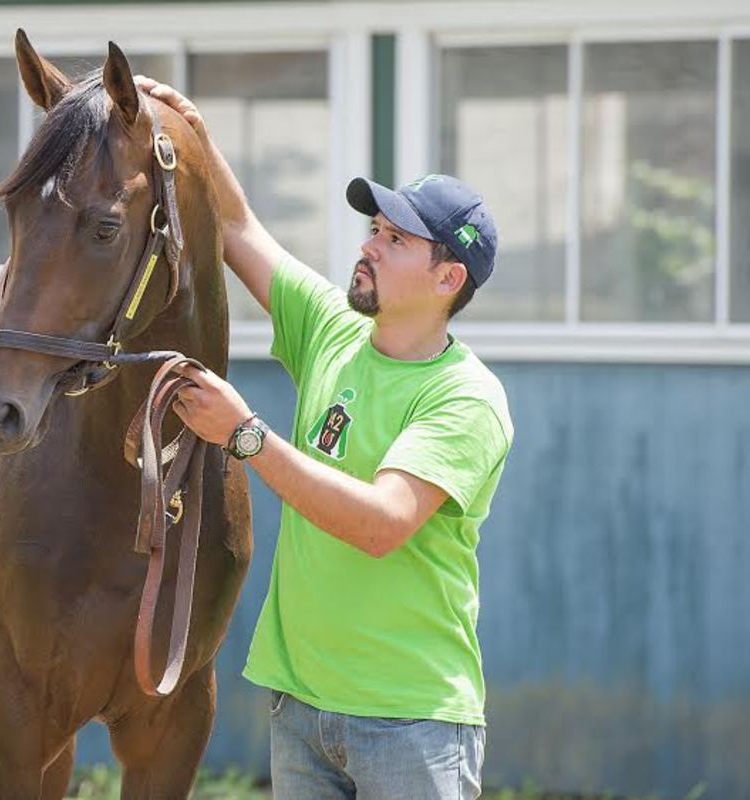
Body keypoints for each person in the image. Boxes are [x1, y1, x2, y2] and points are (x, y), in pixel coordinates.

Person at [134, 75, 514, 800]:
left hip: (411, 725)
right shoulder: (335, 331)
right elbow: (238, 230)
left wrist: (245, 435)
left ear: (448, 278)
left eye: (396, 240)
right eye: (374, 230)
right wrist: (194, 136)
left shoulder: (465, 398)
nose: (369, 247)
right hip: (300, 707)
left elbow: (381, 524)